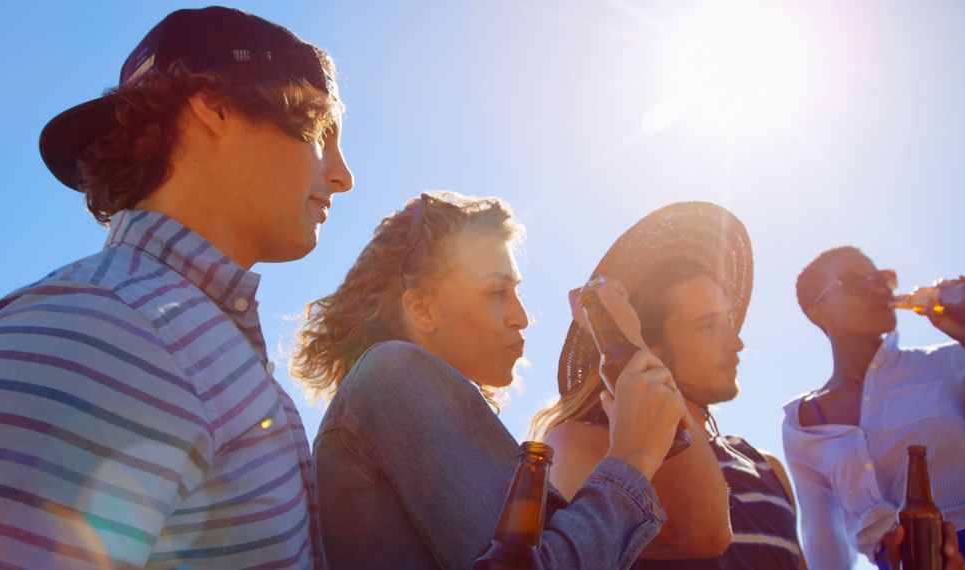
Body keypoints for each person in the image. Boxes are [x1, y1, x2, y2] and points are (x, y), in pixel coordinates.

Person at [0, 7, 353, 568]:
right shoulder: (93, 329)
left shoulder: (170, 335)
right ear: (215, 108)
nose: (342, 175)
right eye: (322, 134)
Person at [291, 191, 689, 569]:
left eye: (515, 291)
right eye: (497, 291)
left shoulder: (403, 398)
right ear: (423, 309)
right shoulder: (394, 373)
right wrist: (632, 458)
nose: (521, 316)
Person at [533, 201, 805, 569]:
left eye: (727, 320)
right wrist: (623, 341)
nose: (737, 341)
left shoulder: (766, 466)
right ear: (650, 344)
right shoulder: (581, 446)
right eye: (709, 325)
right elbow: (702, 532)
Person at [785, 246, 965, 569]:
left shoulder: (952, 361)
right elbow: (824, 542)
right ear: (819, 311)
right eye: (855, 282)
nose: (878, 288)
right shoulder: (800, 424)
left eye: (883, 278)